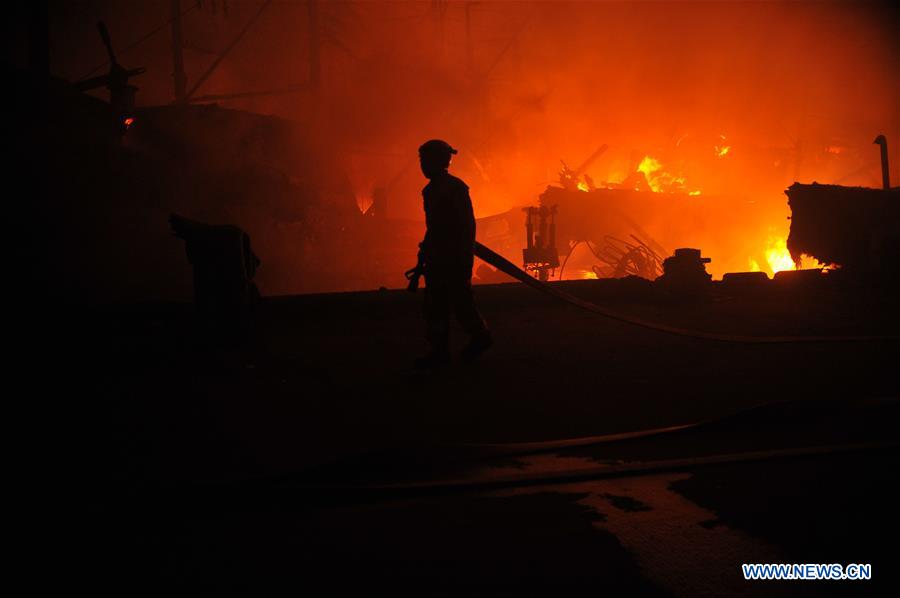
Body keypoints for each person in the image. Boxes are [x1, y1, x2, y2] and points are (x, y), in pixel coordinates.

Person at [415, 139, 492, 368]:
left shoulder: (455, 188)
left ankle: (480, 338)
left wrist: (464, 259)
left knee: (460, 303)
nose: (422, 165)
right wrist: (426, 251)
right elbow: (434, 227)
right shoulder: (431, 190)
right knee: (436, 306)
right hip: (438, 258)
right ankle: (440, 352)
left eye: (425, 160)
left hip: (453, 258)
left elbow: (467, 227)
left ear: (439, 161)